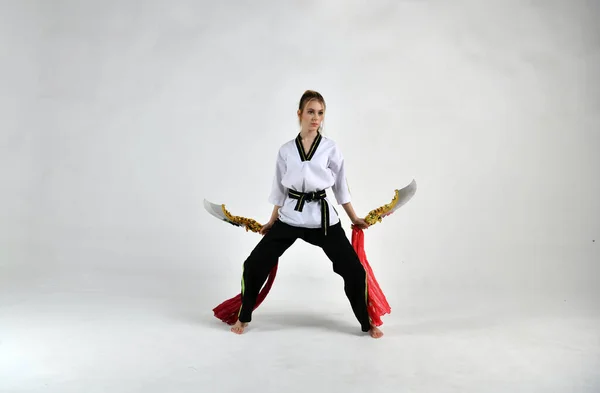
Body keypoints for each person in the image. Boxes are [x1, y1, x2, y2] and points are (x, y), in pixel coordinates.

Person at [230, 90, 384, 339]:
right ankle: (243, 316)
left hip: (322, 219)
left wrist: (353, 218)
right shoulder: (286, 150)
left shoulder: (330, 148)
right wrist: (271, 221)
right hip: (290, 216)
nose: (316, 118)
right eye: (311, 111)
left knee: (354, 271)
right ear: (300, 113)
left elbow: (340, 186)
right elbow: (279, 188)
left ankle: (367, 323)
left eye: (320, 113)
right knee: (254, 264)